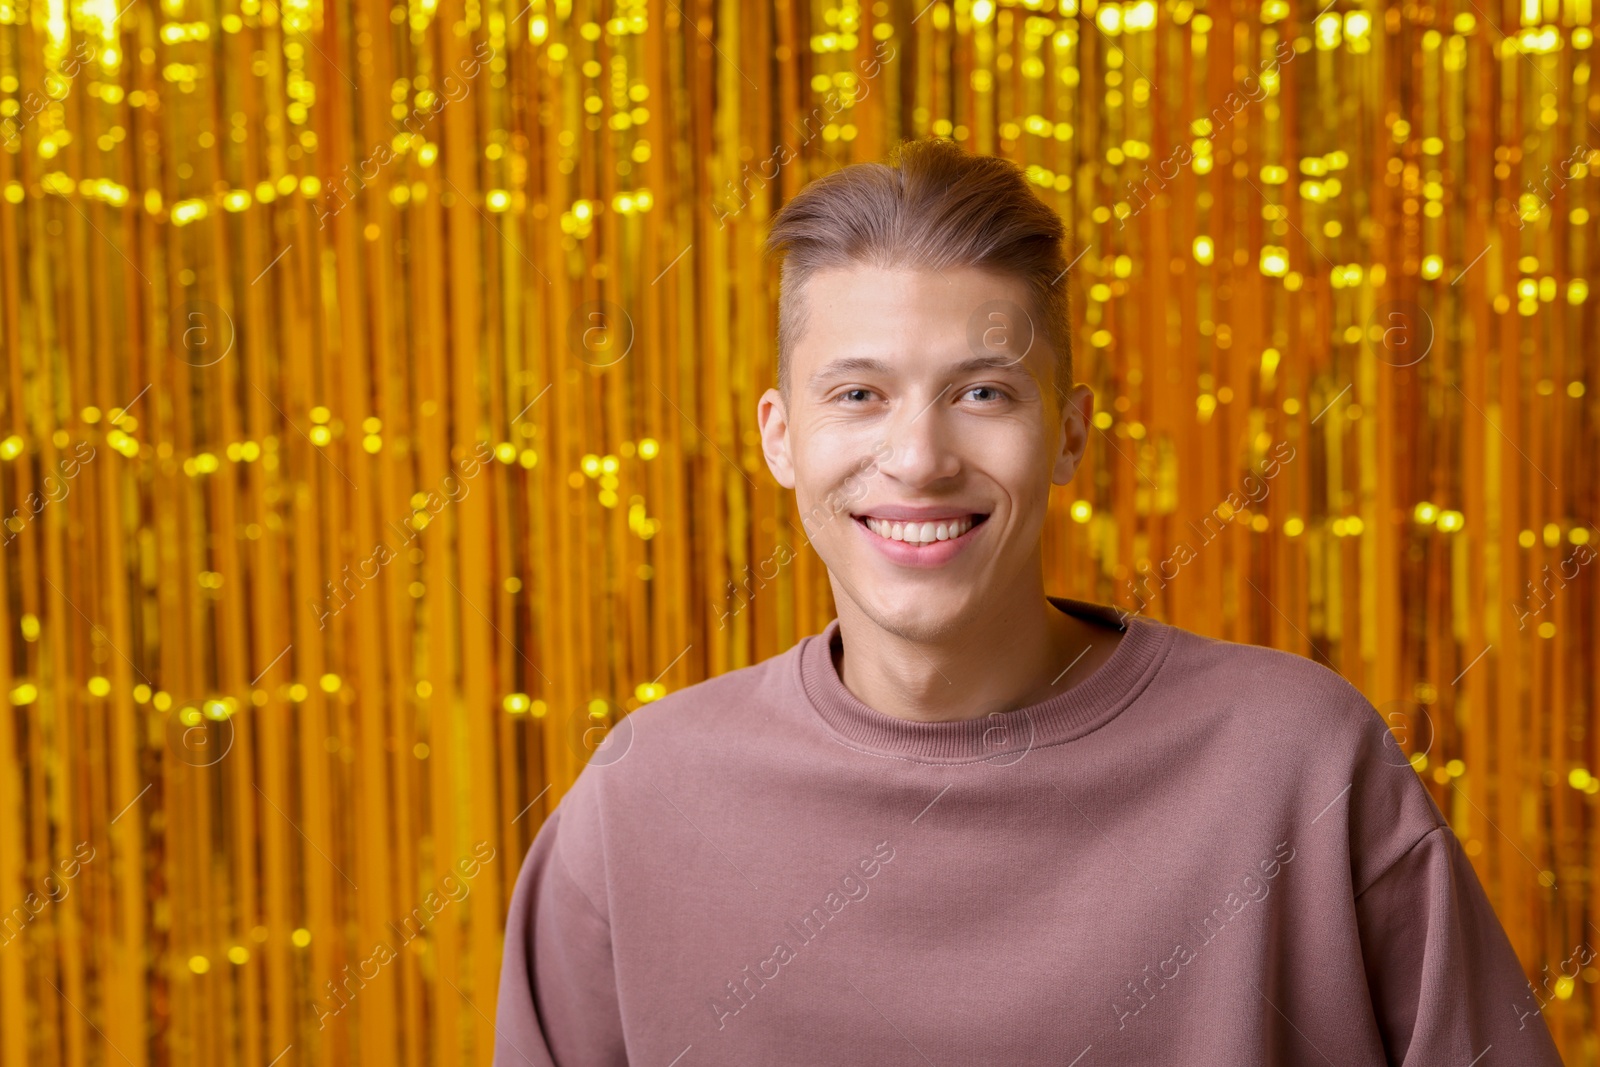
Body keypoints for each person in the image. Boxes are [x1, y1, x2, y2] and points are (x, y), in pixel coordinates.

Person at [492, 138, 1565, 1066]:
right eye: (858, 394)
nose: (915, 457)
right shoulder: (640, 804)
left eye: (982, 392)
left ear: (1068, 432)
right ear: (781, 435)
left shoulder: (1301, 766)